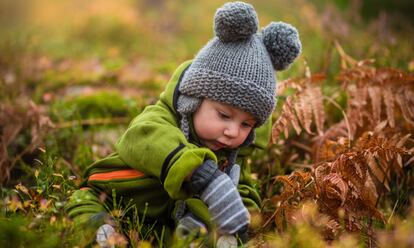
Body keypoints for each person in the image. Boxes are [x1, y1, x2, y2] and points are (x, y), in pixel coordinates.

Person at [65, 1, 301, 247]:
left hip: (163, 222)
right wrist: (198, 172)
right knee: (83, 202)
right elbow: (140, 137)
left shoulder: (230, 155)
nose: (232, 132)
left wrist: (243, 218)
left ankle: (198, 235)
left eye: (246, 125)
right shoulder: (161, 118)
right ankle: (100, 231)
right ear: (193, 100)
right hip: (112, 195)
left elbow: (240, 187)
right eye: (223, 115)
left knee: (210, 220)